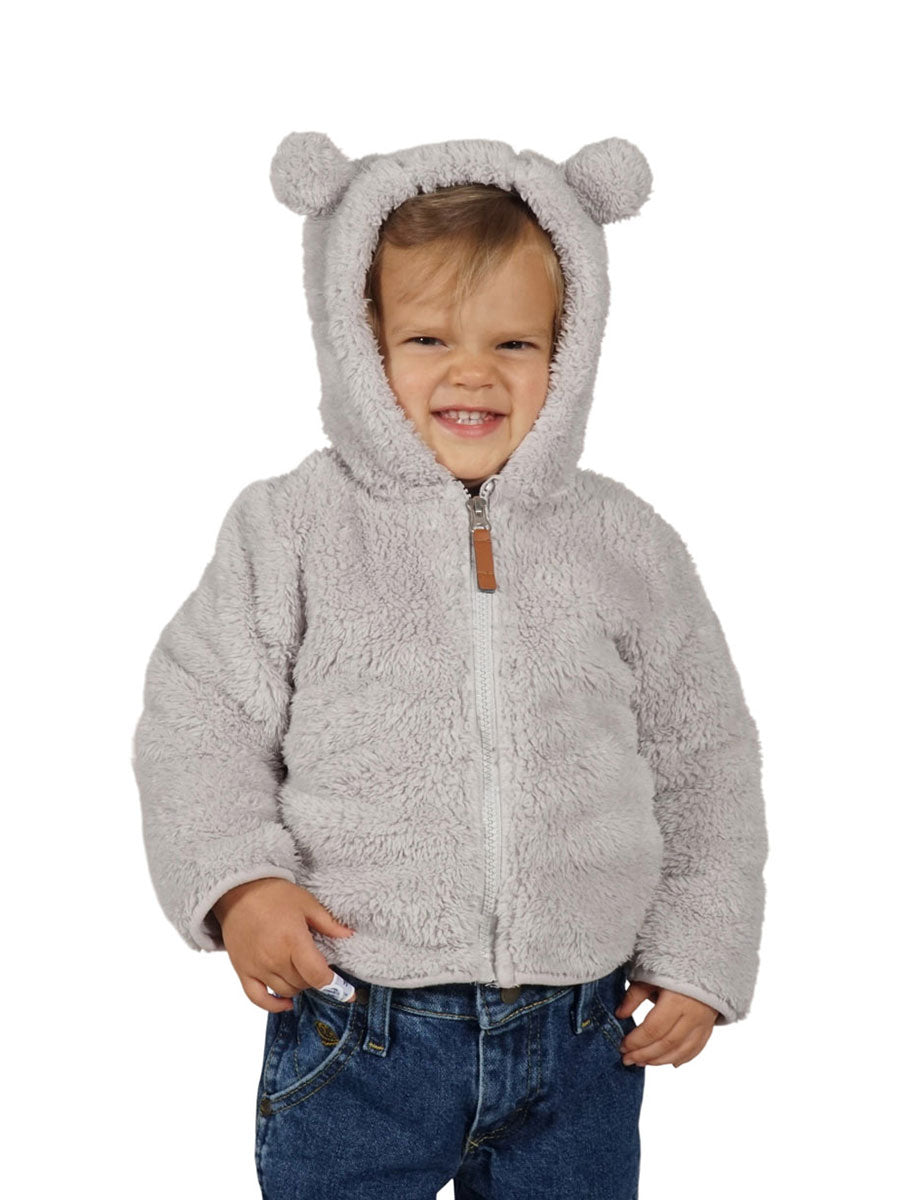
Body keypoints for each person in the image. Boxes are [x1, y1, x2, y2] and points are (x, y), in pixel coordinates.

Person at [132, 132, 768, 1199]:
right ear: (359, 341)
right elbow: (201, 722)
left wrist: (700, 950)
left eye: (514, 343)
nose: (472, 372)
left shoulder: (624, 542)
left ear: (569, 350)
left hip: (583, 1031)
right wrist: (241, 883)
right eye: (427, 337)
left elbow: (704, 759)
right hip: (358, 1020)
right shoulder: (292, 528)